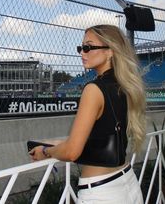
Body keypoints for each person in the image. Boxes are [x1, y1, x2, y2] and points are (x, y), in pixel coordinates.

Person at [30, 24, 146, 203]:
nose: (82, 53)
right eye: (81, 48)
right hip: (128, 183)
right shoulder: (124, 86)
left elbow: (72, 153)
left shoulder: (93, 89)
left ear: (110, 51)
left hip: (101, 193)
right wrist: (54, 144)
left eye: (88, 47)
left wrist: (45, 151)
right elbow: (100, 138)